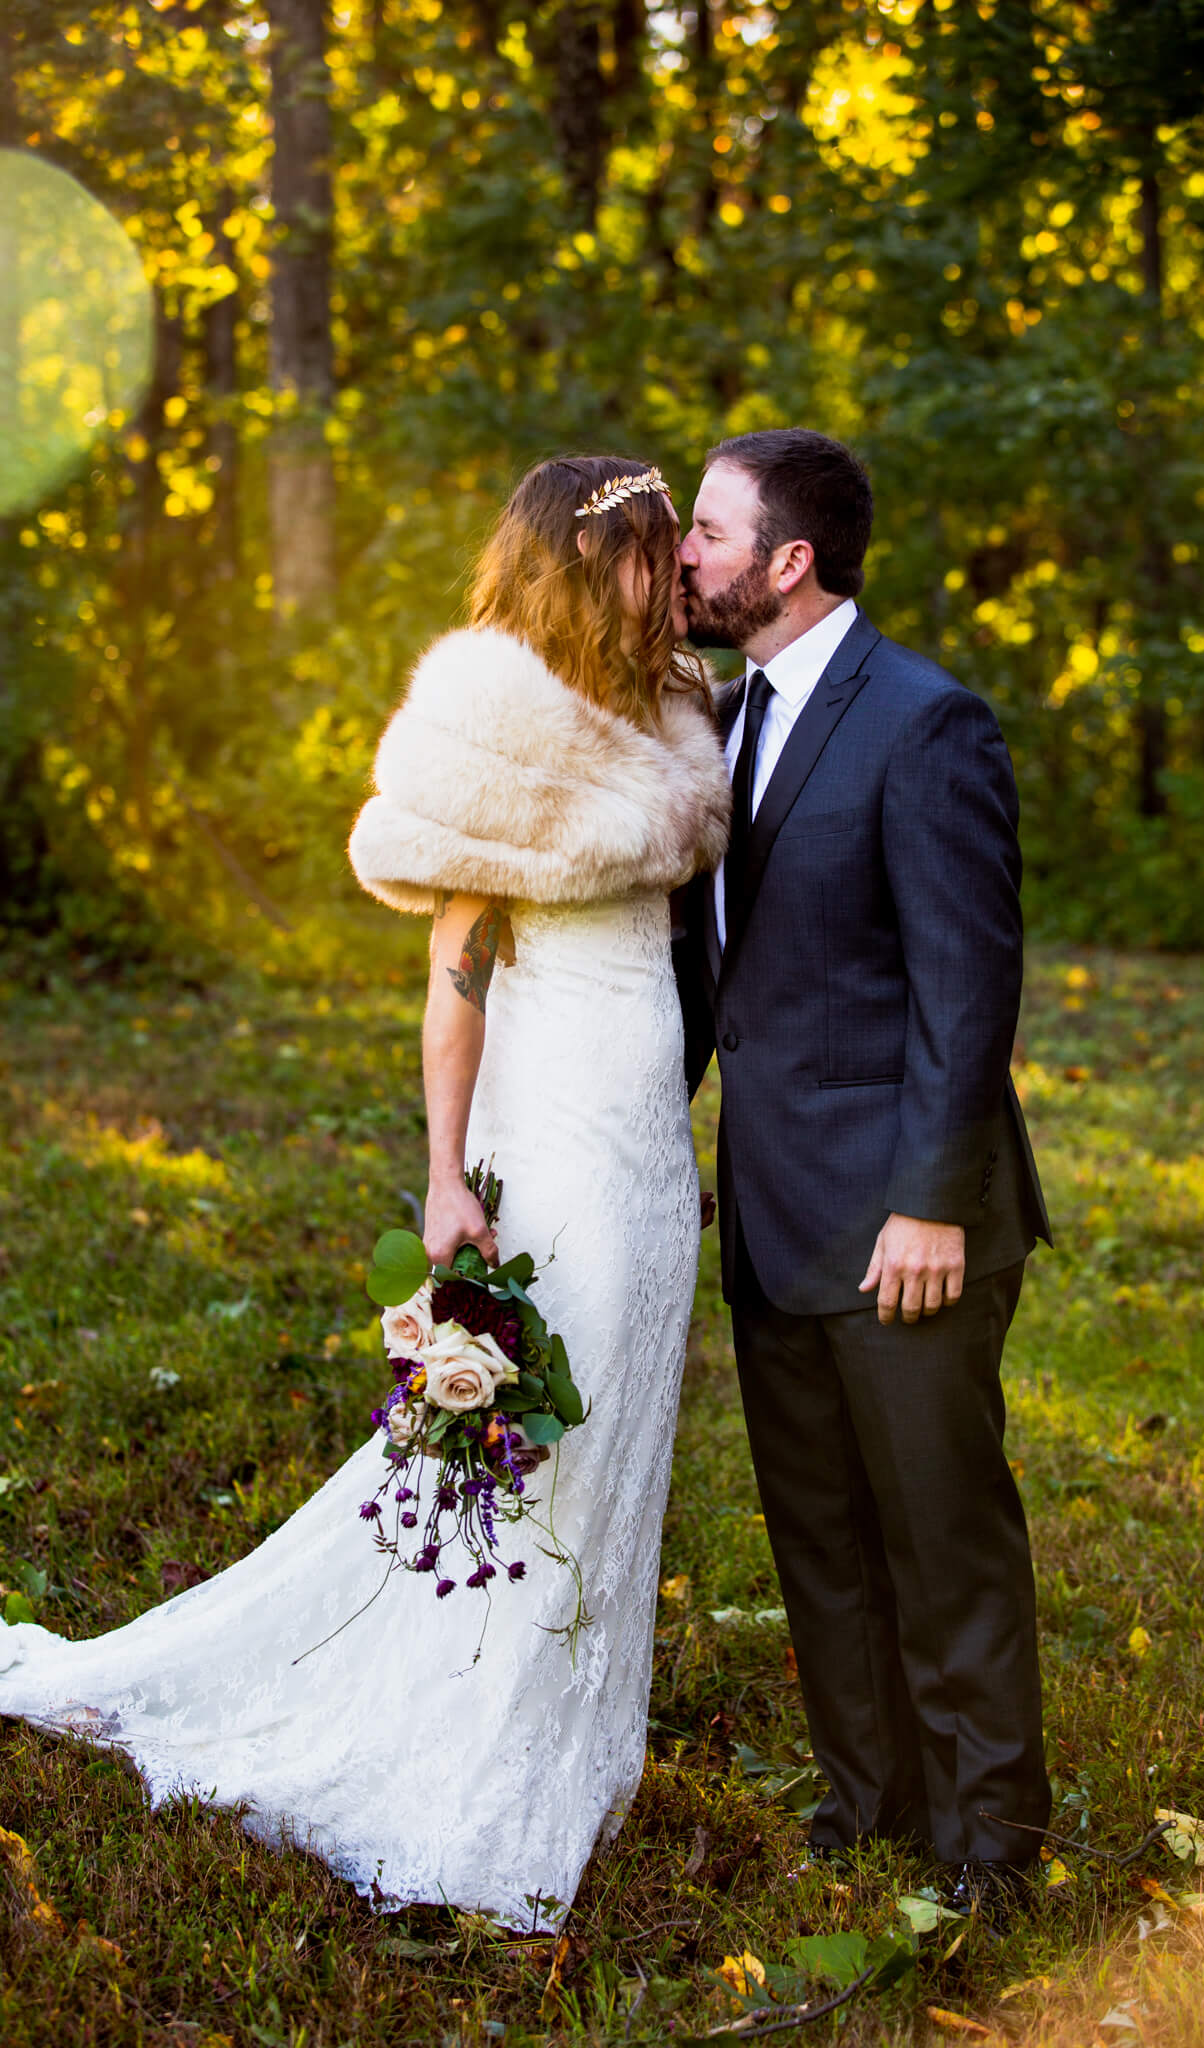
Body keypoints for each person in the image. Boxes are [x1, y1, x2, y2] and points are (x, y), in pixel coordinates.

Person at [0, 456, 730, 1926]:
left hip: (653, 1141)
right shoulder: (503, 726)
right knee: (534, 1444)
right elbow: (456, 980)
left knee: (622, 1432)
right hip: (559, 1132)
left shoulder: (674, 711)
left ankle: (578, 1733)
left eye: (675, 554)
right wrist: (444, 1177)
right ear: (586, 568)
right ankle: (472, 1733)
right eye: (652, 556)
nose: (676, 580)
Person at [673, 428, 1053, 1928]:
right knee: (819, 1536)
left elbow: (970, 988)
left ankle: (990, 1845)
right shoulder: (718, 719)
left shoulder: (926, 722)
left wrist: (930, 1202)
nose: (685, 555)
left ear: (788, 561)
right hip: (772, 1211)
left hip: (904, 1222)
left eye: (706, 531)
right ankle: (869, 1801)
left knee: (941, 1539)